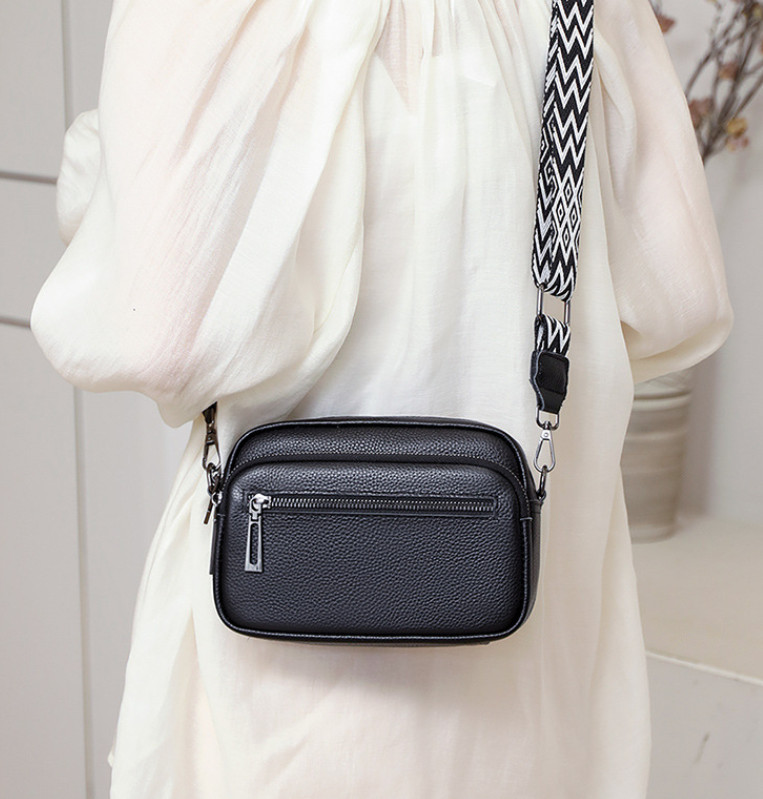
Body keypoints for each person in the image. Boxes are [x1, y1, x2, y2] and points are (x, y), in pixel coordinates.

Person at [30, 0, 733, 796]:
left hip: (287, 699)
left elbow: (159, 333)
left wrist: (94, 173)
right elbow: (680, 300)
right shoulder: (582, 10)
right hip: (530, 676)